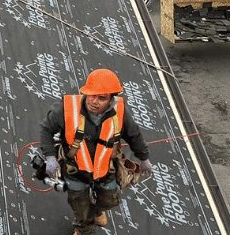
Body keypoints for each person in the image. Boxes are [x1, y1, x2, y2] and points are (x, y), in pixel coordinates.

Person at [39, 68, 152, 235]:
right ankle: (84, 229)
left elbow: (134, 135)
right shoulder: (67, 109)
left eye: (102, 98)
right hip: (75, 170)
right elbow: (46, 129)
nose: (94, 101)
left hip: (105, 169)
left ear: (111, 99)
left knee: (109, 200)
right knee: (80, 207)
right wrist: (50, 157)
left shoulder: (120, 113)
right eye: (91, 95)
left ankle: (98, 211)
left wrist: (144, 158)